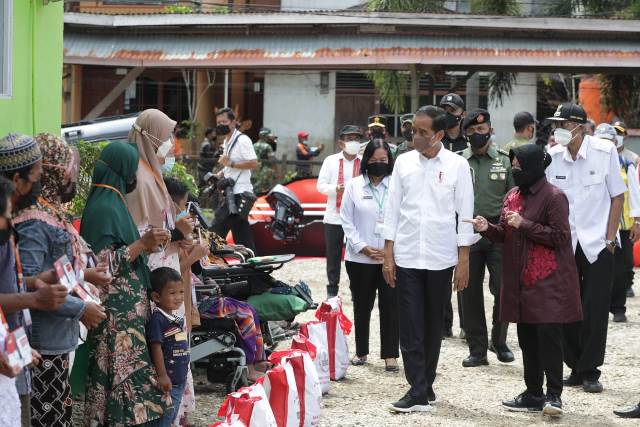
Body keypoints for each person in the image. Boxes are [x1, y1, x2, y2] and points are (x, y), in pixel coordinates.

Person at [467, 144, 582, 416]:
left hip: (549, 282)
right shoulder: (512, 195)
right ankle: (532, 393)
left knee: (549, 339)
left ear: (534, 167)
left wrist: (524, 225)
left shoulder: (555, 197)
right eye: (513, 165)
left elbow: (560, 237)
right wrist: (488, 229)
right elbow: (506, 233)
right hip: (520, 281)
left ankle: (554, 397)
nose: (515, 170)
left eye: (519, 166)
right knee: (527, 338)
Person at [383, 105, 477, 413]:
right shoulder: (403, 163)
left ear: (438, 134)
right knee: (410, 324)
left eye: (423, 132)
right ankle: (418, 391)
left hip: (440, 256)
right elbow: (392, 209)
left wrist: (463, 260)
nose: (416, 136)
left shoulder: (457, 166)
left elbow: (465, 214)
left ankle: (425, 384)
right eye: (413, 130)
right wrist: (388, 255)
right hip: (407, 254)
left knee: (433, 324)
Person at [12, 133, 109, 427]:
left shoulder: (50, 212)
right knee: (49, 418)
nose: (72, 178)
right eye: (66, 170)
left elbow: (50, 272)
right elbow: (27, 280)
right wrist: (79, 309)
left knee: (59, 416)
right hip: (43, 342)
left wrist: (84, 276)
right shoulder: (34, 219)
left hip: (55, 338)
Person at [76, 141, 171, 426]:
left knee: (122, 379)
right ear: (124, 170)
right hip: (117, 316)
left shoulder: (113, 202)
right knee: (122, 379)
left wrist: (145, 245)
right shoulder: (105, 206)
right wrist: (142, 244)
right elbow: (102, 266)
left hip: (125, 314)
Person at [545, 103, 626, 394]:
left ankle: (590, 370)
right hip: (565, 244)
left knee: (594, 309)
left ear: (580, 127)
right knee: (566, 307)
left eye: (564, 125)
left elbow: (618, 196)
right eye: (557, 125)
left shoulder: (605, 152)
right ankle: (575, 366)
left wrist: (609, 239)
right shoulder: (553, 157)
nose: (559, 131)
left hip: (597, 244)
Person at [126, 109, 199, 425]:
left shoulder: (151, 171)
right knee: (164, 343)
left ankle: (173, 412)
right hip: (157, 271)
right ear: (151, 135)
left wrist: (180, 235)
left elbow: (162, 226)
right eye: (167, 134)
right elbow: (145, 232)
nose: (170, 142)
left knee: (176, 343)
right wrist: (176, 234)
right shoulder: (140, 176)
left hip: (168, 260)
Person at [0, 133, 70, 427]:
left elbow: (12, 280)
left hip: (14, 353)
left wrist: (36, 281)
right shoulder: (8, 224)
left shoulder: (9, 220)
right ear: (17, 180)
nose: (40, 183)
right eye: (36, 176)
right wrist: (34, 298)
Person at [459, 109, 514, 367]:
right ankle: (477, 349)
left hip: (498, 235)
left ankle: (499, 341)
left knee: (503, 289)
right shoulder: (458, 162)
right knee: (468, 292)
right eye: (471, 131)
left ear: (490, 130)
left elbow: (515, 198)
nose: (477, 135)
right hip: (467, 234)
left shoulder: (505, 161)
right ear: (466, 134)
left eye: (481, 130)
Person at [340, 139, 399, 371]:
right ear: (366, 161)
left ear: (389, 161)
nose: (379, 165)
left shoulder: (397, 186)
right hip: (359, 258)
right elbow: (346, 220)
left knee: (390, 305)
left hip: (389, 258)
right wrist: (362, 246)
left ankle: (391, 354)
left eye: (383, 161)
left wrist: (389, 251)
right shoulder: (354, 185)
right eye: (374, 161)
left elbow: (403, 220)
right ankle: (361, 351)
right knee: (362, 305)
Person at [592, 123, 640, 323]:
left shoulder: (626, 163)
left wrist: (637, 221)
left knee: (621, 269)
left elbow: (635, 194)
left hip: (621, 228)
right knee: (597, 270)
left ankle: (618, 308)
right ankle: (596, 308)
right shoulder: (589, 163)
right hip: (595, 227)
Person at [317, 125, 363, 298]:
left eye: (357, 138)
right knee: (333, 255)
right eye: (350, 138)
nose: (354, 142)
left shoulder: (363, 160)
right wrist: (337, 189)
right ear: (341, 143)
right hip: (334, 216)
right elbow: (320, 186)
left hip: (358, 216)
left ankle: (356, 288)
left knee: (357, 253)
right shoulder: (331, 161)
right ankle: (332, 290)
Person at [147, 267, 190, 427]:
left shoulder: (174, 317)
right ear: (156, 297)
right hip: (168, 382)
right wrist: (162, 375)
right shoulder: (158, 319)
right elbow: (156, 347)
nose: (178, 297)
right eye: (172, 293)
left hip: (179, 379)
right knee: (163, 419)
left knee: (170, 417)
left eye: (180, 292)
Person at [440, 93, 467, 338]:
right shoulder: (436, 141)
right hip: (442, 214)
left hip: (463, 211)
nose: (449, 114)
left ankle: (466, 324)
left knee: (465, 267)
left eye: (453, 110)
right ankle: (444, 322)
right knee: (443, 268)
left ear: (462, 114)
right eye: (445, 109)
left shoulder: (469, 143)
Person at [213, 107, 258, 252]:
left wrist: (230, 163)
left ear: (233, 122)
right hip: (231, 193)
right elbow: (229, 167)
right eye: (218, 122)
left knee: (215, 230)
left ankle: (205, 264)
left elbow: (253, 163)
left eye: (224, 121)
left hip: (240, 194)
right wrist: (219, 174)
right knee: (242, 235)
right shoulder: (227, 141)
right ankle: (253, 270)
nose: (220, 124)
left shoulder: (242, 140)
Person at [612, 121, 639, 300]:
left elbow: (636, 190)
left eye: (619, 133)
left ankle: (627, 285)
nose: (616, 136)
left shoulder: (632, 159)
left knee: (627, 259)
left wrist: (637, 219)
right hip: (610, 220)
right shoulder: (606, 156)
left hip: (626, 218)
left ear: (625, 136)